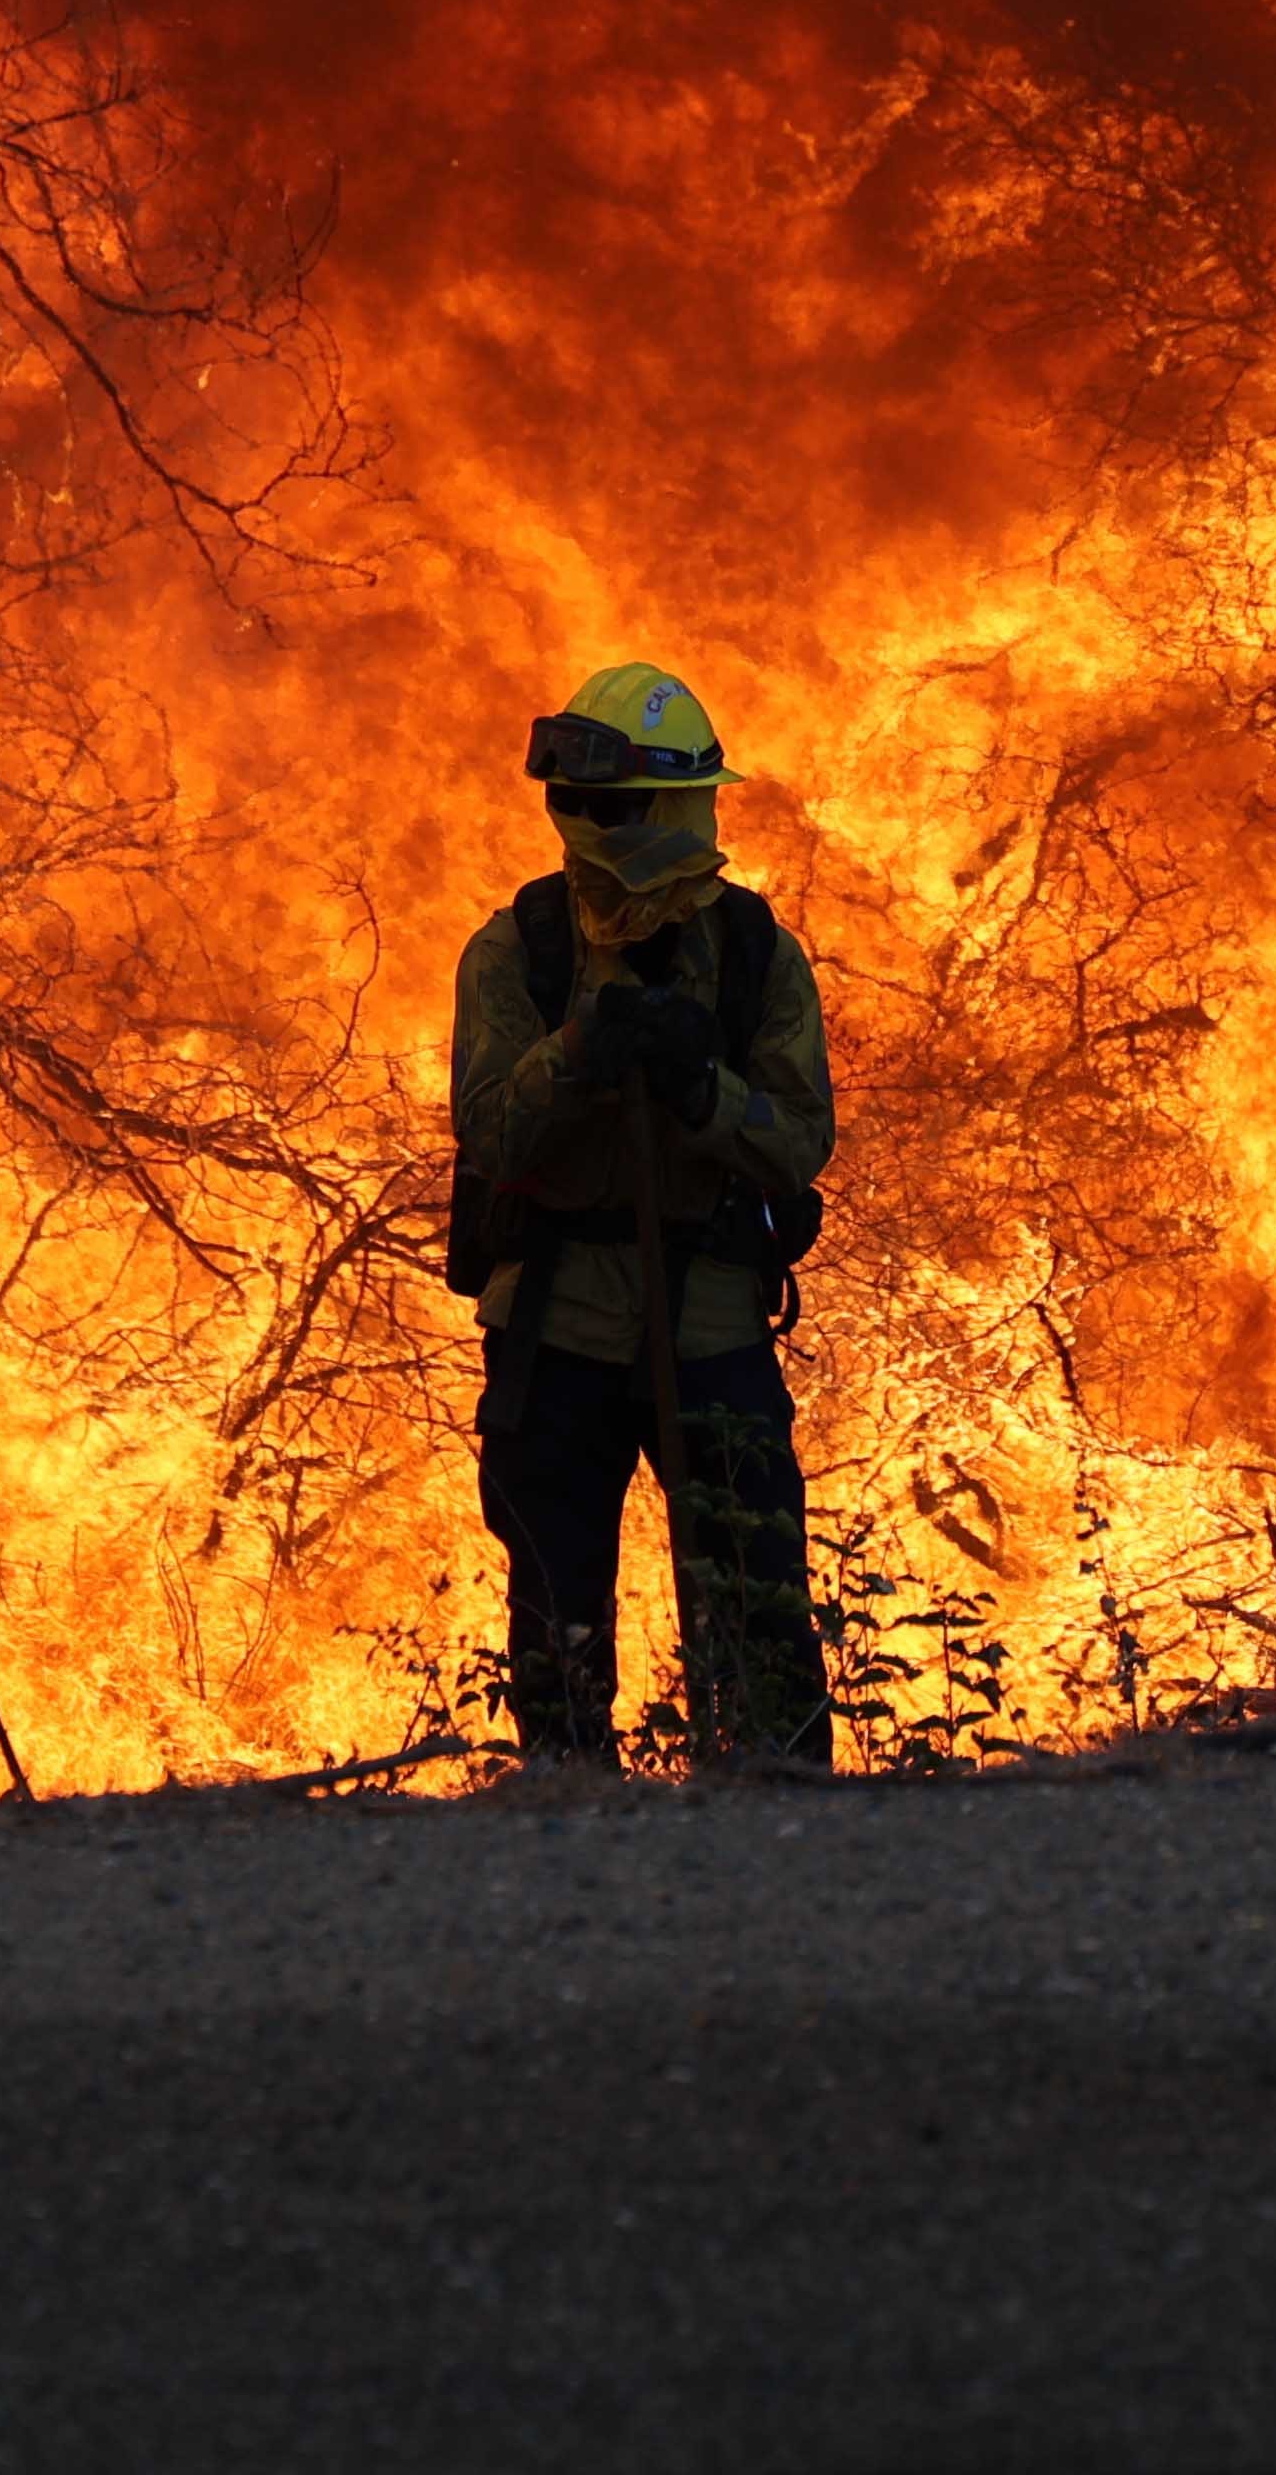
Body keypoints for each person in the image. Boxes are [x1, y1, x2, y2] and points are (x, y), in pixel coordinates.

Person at [446, 659, 835, 1765]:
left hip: (710, 1326)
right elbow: (490, 1133)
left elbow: (800, 1140)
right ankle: (572, 1815)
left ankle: (787, 1812)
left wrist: (703, 1091)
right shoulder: (521, 950)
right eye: (596, 804)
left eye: (637, 805)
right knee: (557, 1622)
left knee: (759, 1602)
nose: (612, 825)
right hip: (558, 1329)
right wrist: (574, 1054)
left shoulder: (754, 955)